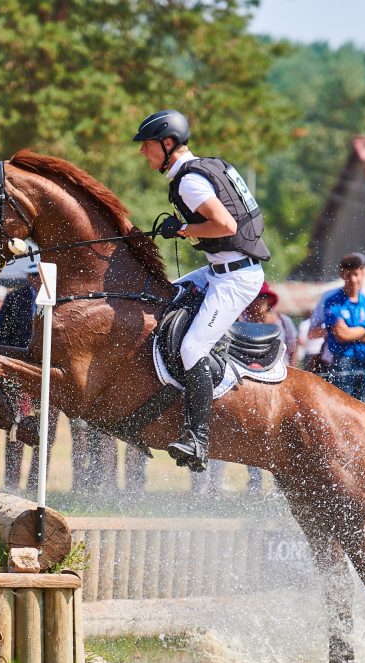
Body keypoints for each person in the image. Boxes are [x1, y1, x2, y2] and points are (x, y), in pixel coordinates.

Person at [134, 109, 270, 472]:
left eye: (146, 145)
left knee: (194, 347)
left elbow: (223, 223)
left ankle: (197, 439)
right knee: (164, 296)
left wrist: (183, 231)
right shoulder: (208, 167)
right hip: (219, 270)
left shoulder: (190, 182)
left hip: (234, 278)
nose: (142, 152)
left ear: (167, 144)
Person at [0, 262, 56, 493]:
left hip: (49, 376)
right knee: (15, 427)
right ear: (29, 276)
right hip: (18, 373)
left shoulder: (58, 299)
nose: (38, 279)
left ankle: (36, 484)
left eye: (41, 275)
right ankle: (11, 483)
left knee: (46, 431)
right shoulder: (14, 299)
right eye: (35, 275)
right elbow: (2, 336)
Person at [239, 281, 297, 493]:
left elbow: (292, 348)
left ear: (267, 301)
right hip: (252, 385)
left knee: (282, 435)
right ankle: (254, 482)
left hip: (280, 383)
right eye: (254, 299)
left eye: (261, 299)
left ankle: (283, 483)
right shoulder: (240, 321)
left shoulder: (284, 322)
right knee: (253, 434)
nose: (257, 303)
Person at [319, 253, 365, 403]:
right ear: (342, 275)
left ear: (362, 274)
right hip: (343, 361)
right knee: (342, 404)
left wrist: (354, 334)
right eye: (348, 274)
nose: (353, 279)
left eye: (356, 274)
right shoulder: (333, 301)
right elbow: (341, 335)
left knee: (362, 406)